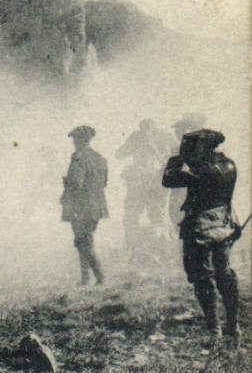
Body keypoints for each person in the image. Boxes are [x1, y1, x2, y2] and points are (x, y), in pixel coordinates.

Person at [162, 130, 240, 346]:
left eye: (191, 147)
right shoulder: (228, 165)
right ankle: (233, 327)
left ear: (203, 148)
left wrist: (176, 160)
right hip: (223, 225)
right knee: (224, 274)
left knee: (202, 277)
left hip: (200, 230)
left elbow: (168, 179)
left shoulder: (200, 170)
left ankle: (214, 330)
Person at [117, 119, 172, 264]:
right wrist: (136, 143)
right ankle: (136, 252)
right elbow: (120, 154)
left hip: (155, 182)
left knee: (157, 218)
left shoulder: (165, 137)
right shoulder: (137, 137)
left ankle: (162, 253)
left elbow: (170, 161)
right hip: (138, 182)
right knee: (131, 218)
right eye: (144, 129)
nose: (146, 131)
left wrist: (153, 147)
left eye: (149, 129)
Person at [61, 125, 109, 286]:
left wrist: (66, 182)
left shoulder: (79, 158)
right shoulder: (100, 158)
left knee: (83, 242)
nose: (74, 142)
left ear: (78, 141)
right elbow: (104, 183)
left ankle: (99, 277)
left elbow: (76, 183)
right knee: (85, 240)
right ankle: (86, 278)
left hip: (80, 206)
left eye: (75, 139)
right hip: (97, 205)